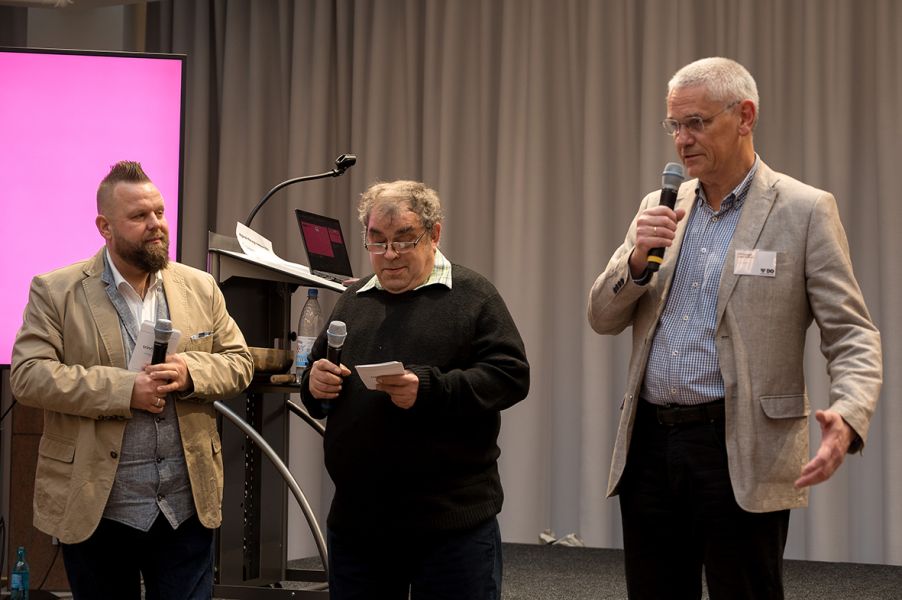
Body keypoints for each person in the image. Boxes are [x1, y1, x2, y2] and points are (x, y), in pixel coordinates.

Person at [587, 57, 882, 599]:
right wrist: (635, 260)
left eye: (697, 122)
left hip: (741, 444)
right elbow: (602, 317)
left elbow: (853, 333)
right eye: (674, 125)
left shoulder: (804, 209)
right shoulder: (661, 207)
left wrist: (849, 413)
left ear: (745, 116)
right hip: (651, 443)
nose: (682, 140)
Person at [10, 161, 254, 599]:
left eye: (159, 213)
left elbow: (239, 362)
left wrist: (191, 372)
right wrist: (125, 389)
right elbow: (28, 376)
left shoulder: (201, 287)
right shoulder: (56, 290)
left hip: (186, 507)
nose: (156, 225)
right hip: (97, 506)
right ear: (105, 226)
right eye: (139, 217)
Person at [301, 180, 530, 599]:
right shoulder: (353, 300)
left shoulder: (473, 295)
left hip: (450, 526)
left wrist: (428, 389)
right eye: (378, 241)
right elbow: (318, 382)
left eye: (404, 240)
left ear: (434, 234)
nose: (389, 255)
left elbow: (510, 376)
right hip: (358, 523)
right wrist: (315, 383)